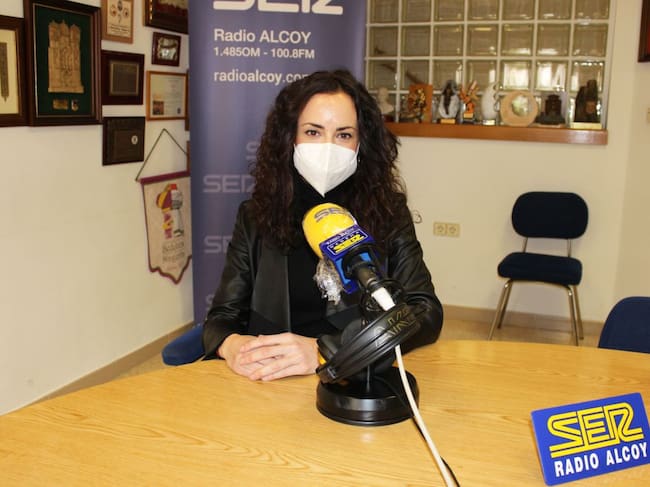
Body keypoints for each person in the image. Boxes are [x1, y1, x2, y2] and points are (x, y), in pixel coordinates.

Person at [202, 69, 444, 381]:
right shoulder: (255, 216)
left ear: (361, 143)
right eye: (313, 132)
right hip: (272, 381)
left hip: (356, 377)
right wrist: (231, 344)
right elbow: (221, 317)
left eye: (344, 135)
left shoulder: (388, 211)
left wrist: (327, 350)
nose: (328, 147)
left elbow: (426, 311)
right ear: (289, 138)